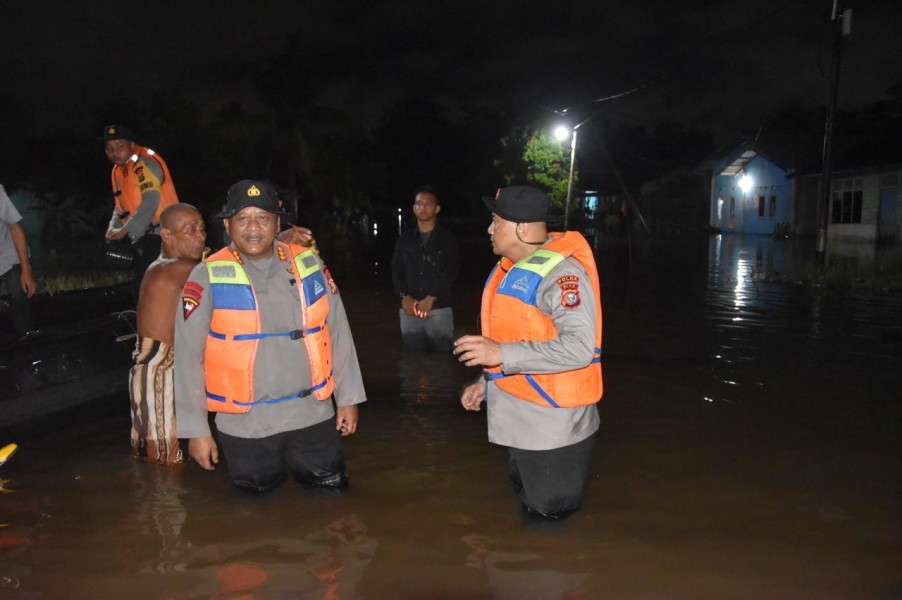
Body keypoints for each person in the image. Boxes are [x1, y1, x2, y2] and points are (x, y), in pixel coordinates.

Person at [174, 180, 366, 493]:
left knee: (332, 495)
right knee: (256, 513)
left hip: (312, 417)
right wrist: (196, 430)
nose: (253, 228)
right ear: (227, 224)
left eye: (263, 218)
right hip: (246, 426)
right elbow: (187, 358)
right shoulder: (205, 275)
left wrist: (348, 399)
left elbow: (338, 331)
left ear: (277, 223)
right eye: (242, 218)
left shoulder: (308, 264)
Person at [454, 186, 603, 519]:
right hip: (522, 421)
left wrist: (500, 355)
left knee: (550, 525)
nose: (489, 230)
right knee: (530, 515)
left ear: (520, 228)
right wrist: (486, 382)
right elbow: (518, 337)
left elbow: (580, 348)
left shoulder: (564, 275)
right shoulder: (514, 268)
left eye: (495, 222)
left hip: (554, 430)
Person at [129, 204, 207, 465]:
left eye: (202, 228)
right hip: (158, 366)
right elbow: (226, 266)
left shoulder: (175, 265)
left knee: (155, 453)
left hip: (161, 364)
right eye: (190, 230)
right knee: (165, 459)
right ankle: (166, 506)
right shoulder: (173, 268)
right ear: (166, 235)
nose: (200, 236)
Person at [100, 124, 179, 296]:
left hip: (163, 234)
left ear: (132, 144)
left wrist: (125, 231)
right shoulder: (119, 170)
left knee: (149, 288)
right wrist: (112, 228)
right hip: (144, 235)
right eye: (110, 148)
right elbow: (120, 204)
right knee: (141, 284)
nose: (114, 153)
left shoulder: (144, 163)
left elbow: (151, 200)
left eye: (120, 146)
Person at [390, 186, 460, 352]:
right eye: (419, 203)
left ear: (437, 208)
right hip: (409, 310)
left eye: (428, 204)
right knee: (412, 359)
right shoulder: (405, 239)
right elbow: (396, 269)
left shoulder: (447, 238)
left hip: (439, 309)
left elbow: (451, 271)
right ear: (414, 208)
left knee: (443, 359)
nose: (422, 207)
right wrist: (403, 297)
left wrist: (432, 297)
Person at [0, 183, 37, 339]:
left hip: (11, 254)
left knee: (20, 301)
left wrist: (26, 270)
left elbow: (15, 228)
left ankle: (27, 345)